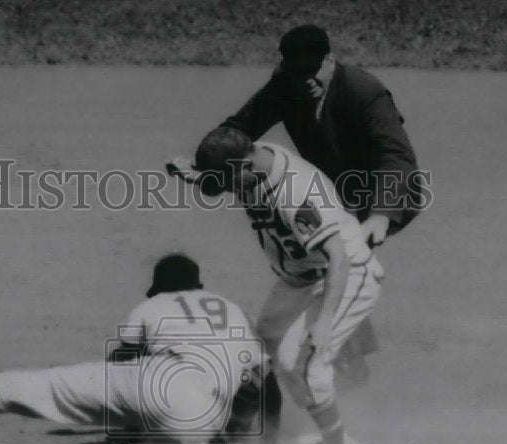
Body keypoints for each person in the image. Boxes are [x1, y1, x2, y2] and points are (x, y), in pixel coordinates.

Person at [169, 24, 422, 385]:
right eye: (296, 69)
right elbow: (241, 129)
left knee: (339, 256)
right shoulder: (285, 85)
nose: (305, 78)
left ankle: (345, 359)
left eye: (313, 68)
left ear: (331, 60)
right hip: (333, 187)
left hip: (387, 189)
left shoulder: (363, 92)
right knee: (324, 257)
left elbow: (396, 156)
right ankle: (353, 358)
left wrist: (381, 214)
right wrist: (207, 167)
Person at [0, 254, 280, 444]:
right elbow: (264, 387)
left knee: (29, 386)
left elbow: (120, 365)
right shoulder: (230, 309)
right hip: (198, 417)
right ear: (199, 285)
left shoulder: (152, 306)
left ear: (160, 288)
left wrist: (120, 429)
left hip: (148, 385)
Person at [188, 126, 384, 444]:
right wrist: (198, 176)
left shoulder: (295, 193)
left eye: (227, 181)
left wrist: (323, 322)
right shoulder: (250, 161)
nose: (227, 191)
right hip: (298, 280)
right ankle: (240, 439)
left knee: (305, 366)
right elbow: (225, 177)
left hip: (345, 274)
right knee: (257, 354)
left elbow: (338, 258)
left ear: (242, 167)